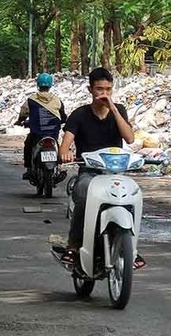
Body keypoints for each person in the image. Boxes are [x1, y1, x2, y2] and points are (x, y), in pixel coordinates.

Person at [58, 67, 144, 268]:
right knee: (84, 195)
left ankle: (132, 248)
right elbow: (65, 144)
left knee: (133, 195)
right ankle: (73, 246)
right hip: (90, 173)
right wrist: (65, 153)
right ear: (90, 90)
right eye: (99, 89)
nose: (104, 94)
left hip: (115, 172)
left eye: (108, 89)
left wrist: (113, 109)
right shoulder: (79, 115)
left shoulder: (119, 111)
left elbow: (130, 138)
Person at [15, 73, 67, 180]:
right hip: (53, 133)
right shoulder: (57, 100)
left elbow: (24, 113)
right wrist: (62, 121)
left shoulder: (31, 99)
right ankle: (60, 166)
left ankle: (29, 168)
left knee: (28, 145)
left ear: (38, 84)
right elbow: (63, 115)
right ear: (50, 85)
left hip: (36, 133)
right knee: (57, 146)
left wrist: (20, 121)